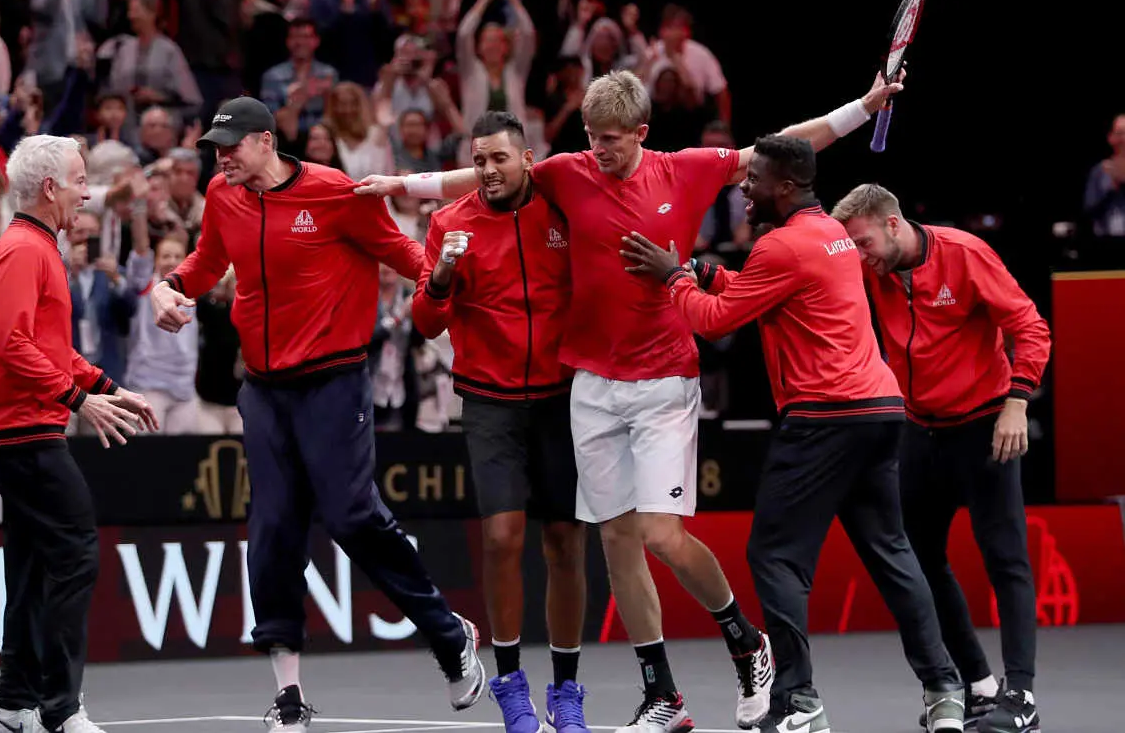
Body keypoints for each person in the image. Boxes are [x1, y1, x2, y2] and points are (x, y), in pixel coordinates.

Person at [357, 69, 902, 732]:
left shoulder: (687, 171)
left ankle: (744, 638)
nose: (600, 151)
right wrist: (402, 187)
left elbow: (784, 146)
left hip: (665, 378)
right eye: (592, 138)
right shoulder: (567, 170)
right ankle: (663, 697)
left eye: (611, 140)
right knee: (616, 542)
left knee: (659, 535)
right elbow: (485, 177)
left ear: (641, 133)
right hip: (589, 383)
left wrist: (862, 106)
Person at [147, 96, 485, 733]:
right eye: (216, 147)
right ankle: (290, 698)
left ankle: (449, 634)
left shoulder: (335, 193)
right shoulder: (224, 195)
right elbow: (207, 262)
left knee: (353, 515)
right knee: (273, 532)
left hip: (332, 381)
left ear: (267, 142)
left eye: (232, 145)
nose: (221, 157)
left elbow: (402, 253)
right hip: (264, 390)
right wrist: (167, 286)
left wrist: (445, 283)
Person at [619, 135, 965, 733]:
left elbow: (716, 322)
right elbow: (767, 294)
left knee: (774, 555)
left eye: (752, 181)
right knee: (893, 554)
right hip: (881, 410)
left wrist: (675, 277)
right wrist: (704, 271)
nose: (743, 189)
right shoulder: (830, 235)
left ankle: (799, 701)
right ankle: (944, 691)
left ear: (783, 186)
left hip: (825, 417)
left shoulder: (779, 247)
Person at [831, 184, 1049, 733]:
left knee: (1007, 560)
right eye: (851, 248)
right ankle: (979, 686)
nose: (860, 257)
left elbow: (1030, 326)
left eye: (863, 243)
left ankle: (1020, 697)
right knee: (919, 560)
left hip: (985, 427)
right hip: (919, 430)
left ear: (894, 224)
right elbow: (809, 278)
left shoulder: (965, 255)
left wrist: (1017, 403)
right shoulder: (872, 271)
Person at [0, 135, 160, 733]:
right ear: (50, 188)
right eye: (81, 181)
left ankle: (9, 708)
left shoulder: (36, 246)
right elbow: (13, 345)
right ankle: (59, 710)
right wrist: (79, 401)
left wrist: (107, 386)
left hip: (20, 431)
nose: (88, 193)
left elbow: (51, 347)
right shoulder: (25, 250)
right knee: (75, 552)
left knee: (32, 566)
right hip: (21, 434)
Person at [412, 111, 588, 733]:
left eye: (498, 160)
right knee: (502, 539)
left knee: (566, 543)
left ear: (527, 158)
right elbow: (426, 323)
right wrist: (439, 280)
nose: (488, 171)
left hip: (564, 400)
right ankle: (511, 685)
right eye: (479, 160)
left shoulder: (563, 211)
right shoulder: (449, 224)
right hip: (488, 402)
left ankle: (566, 691)